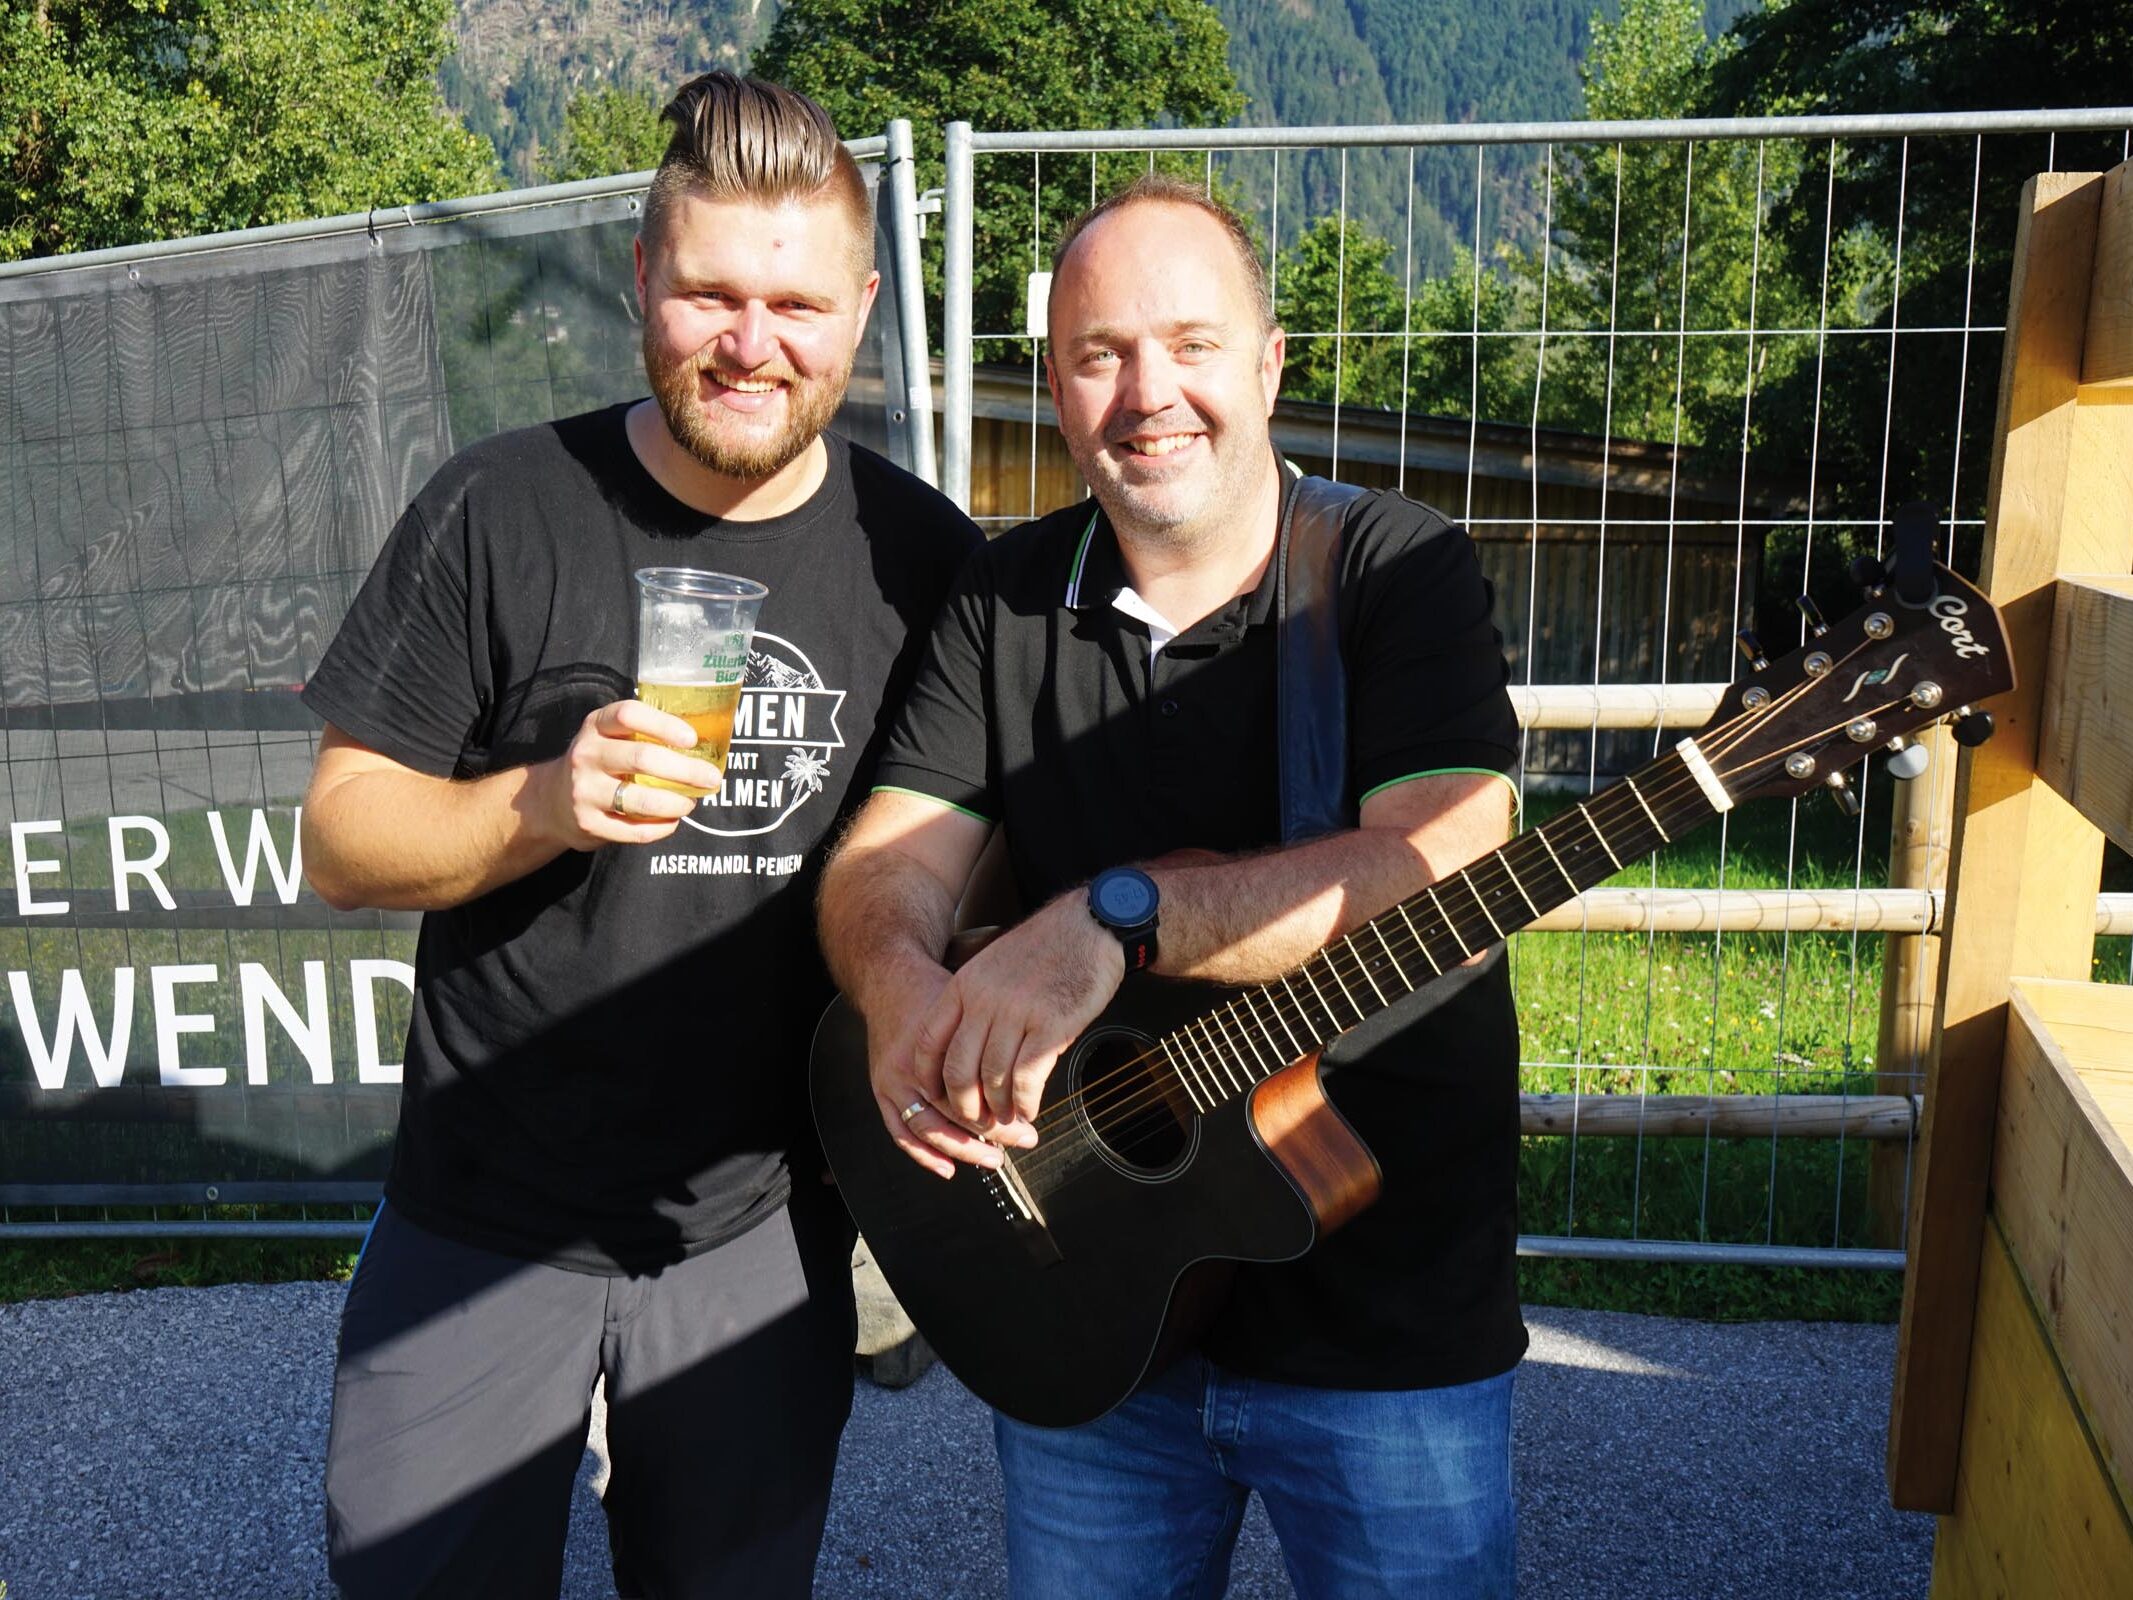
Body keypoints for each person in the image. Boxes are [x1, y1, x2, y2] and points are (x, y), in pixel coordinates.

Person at [299, 70, 978, 1599]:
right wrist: (538, 803)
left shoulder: (921, 558)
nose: (752, 343)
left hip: (759, 1227)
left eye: (796, 305)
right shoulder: (496, 508)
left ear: (864, 311)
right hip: (485, 1210)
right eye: (710, 296)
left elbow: (978, 859)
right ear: (639, 280)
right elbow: (340, 841)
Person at [817, 174, 1525, 1599]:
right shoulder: (1004, 598)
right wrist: (897, 996)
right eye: (1101, 354)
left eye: (1192, 345)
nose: (1150, 394)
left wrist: (1114, 922)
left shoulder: (1392, 569)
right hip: (1083, 1288)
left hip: (1388, 1323)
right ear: (1056, 389)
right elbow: (886, 861)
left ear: (1268, 364)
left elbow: (1444, 858)